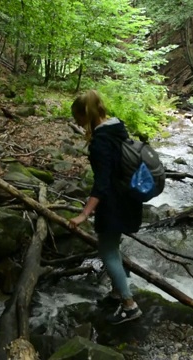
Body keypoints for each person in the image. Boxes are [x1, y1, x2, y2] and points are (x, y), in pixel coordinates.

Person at [68, 90, 143, 325]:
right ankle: (116, 293)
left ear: (85, 113)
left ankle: (129, 306)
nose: (76, 122)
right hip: (128, 198)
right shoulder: (117, 128)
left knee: (108, 252)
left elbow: (102, 183)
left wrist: (83, 214)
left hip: (113, 204)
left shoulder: (100, 141)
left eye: (77, 117)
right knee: (114, 247)